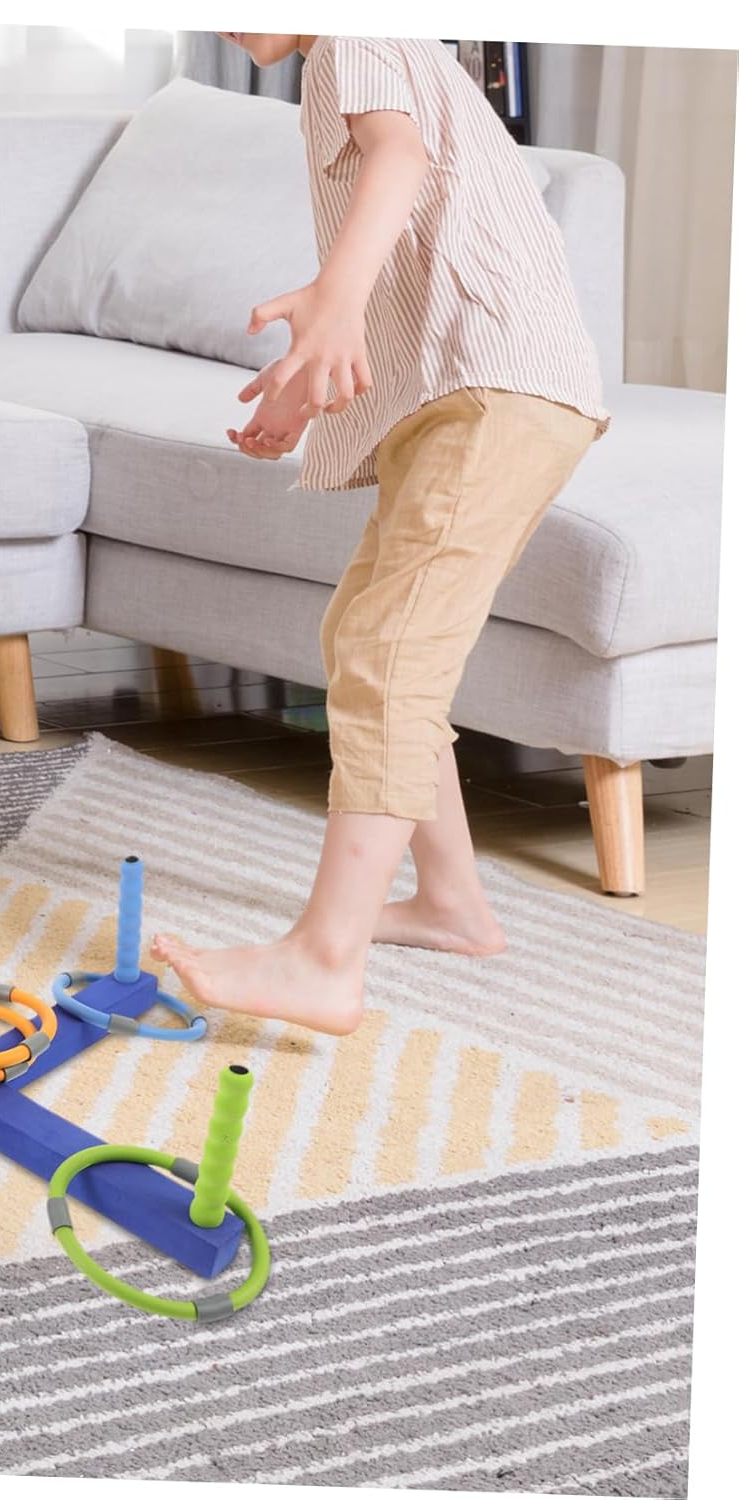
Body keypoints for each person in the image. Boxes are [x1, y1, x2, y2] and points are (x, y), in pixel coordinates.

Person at [153, 33, 608, 1035]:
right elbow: (415, 266)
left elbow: (398, 158)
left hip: (495, 390)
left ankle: (324, 960)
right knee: (366, 637)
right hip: (475, 391)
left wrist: (333, 300)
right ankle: (451, 904)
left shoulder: (352, 33)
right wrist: (309, 380)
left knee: (391, 657)